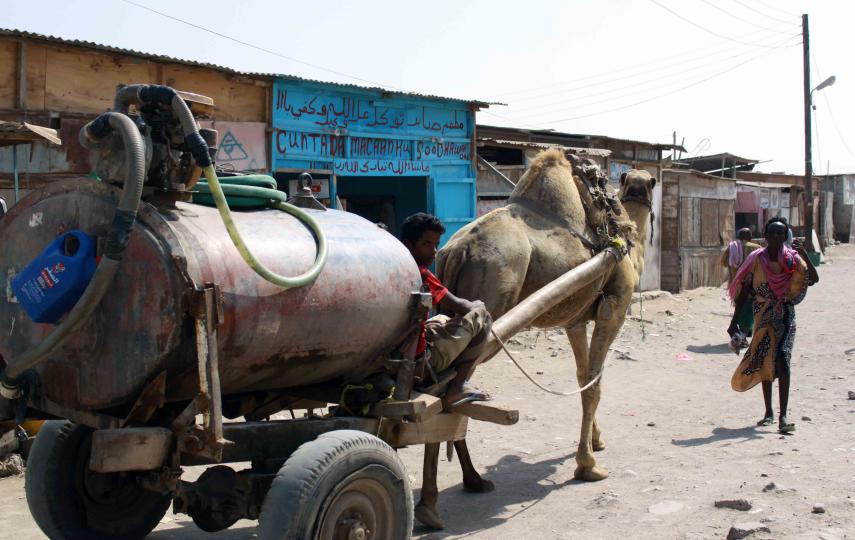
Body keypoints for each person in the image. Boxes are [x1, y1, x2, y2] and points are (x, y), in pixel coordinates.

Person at [727, 217, 818, 434]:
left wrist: (804, 254)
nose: (776, 237)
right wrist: (734, 323)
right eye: (773, 233)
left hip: (786, 315)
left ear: (785, 236)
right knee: (764, 360)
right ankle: (768, 412)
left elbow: (813, 278)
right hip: (762, 315)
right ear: (765, 236)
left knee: (783, 360)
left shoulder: (793, 259)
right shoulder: (756, 260)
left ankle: (783, 415)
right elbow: (745, 292)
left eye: (781, 233)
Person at [400, 213, 492, 406]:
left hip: (387, 354)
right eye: (427, 244)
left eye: (436, 244)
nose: (434, 251)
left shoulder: (394, 268)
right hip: (417, 360)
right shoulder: (421, 274)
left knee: (440, 319)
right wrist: (477, 305)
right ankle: (457, 387)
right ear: (408, 244)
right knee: (482, 318)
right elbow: (459, 306)